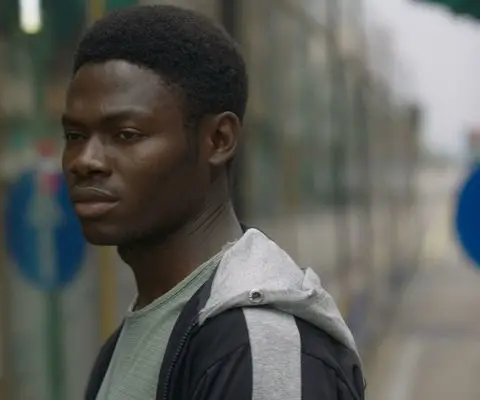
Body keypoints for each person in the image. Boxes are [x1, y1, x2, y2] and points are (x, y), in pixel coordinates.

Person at [60, 5, 365, 400]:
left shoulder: (257, 348)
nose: (85, 161)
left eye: (126, 134)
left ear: (219, 140)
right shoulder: (131, 339)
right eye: (74, 136)